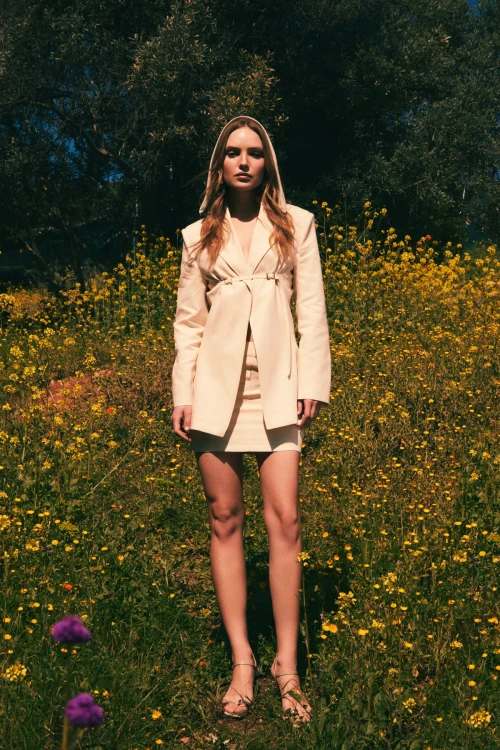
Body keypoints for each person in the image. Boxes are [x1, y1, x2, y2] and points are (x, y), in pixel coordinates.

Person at [171, 115, 331, 723]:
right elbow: (188, 325)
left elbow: (311, 309)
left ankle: (286, 668)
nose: (244, 161)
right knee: (224, 516)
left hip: (280, 388)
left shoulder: (298, 227)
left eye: (255, 153)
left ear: (267, 163)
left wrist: (313, 381)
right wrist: (180, 393)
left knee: (286, 520)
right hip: (215, 391)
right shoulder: (196, 238)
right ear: (220, 164)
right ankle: (243, 661)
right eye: (234, 152)